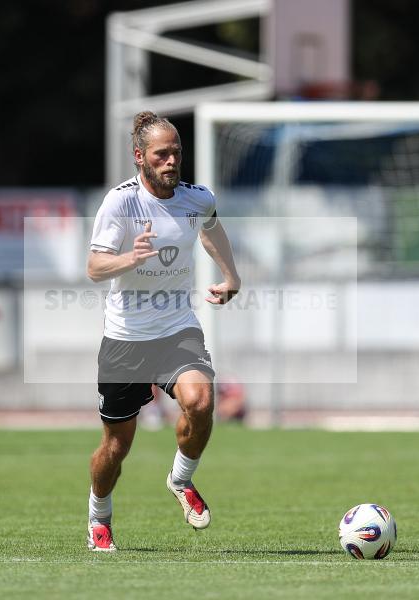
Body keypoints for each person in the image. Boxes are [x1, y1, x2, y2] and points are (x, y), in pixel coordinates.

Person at [85, 111, 241, 551]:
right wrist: (130, 259)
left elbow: (210, 227)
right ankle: (99, 516)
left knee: (201, 399)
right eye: (162, 154)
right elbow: (95, 267)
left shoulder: (197, 198)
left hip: (177, 330)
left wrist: (231, 275)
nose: (172, 161)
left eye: (176, 152)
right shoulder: (120, 203)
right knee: (116, 447)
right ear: (140, 157)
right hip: (125, 340)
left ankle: (181, 479)